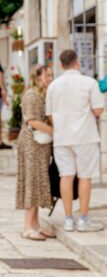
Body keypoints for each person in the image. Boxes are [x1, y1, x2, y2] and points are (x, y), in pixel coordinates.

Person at [46, 49, 104, 232]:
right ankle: (83, 219)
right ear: (77, 63)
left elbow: (50, 115)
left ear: (61, 65)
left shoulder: (54, 85)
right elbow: (98, 110)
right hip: (85, 136)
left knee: (66, 176)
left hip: (62, 138)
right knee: (85, 176)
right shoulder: (90, 83)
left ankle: (69, 219)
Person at [16, 65, 55, 240]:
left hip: (40, 144)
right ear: (38, 76)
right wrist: (53, 130)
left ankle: (36, 224)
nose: (50, 78)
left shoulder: (41, 93)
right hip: (32, 143)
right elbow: (31, 121)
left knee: (39, 180)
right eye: (47, 75)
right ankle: (27, 226)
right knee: (32, 180)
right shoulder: (32, 95)